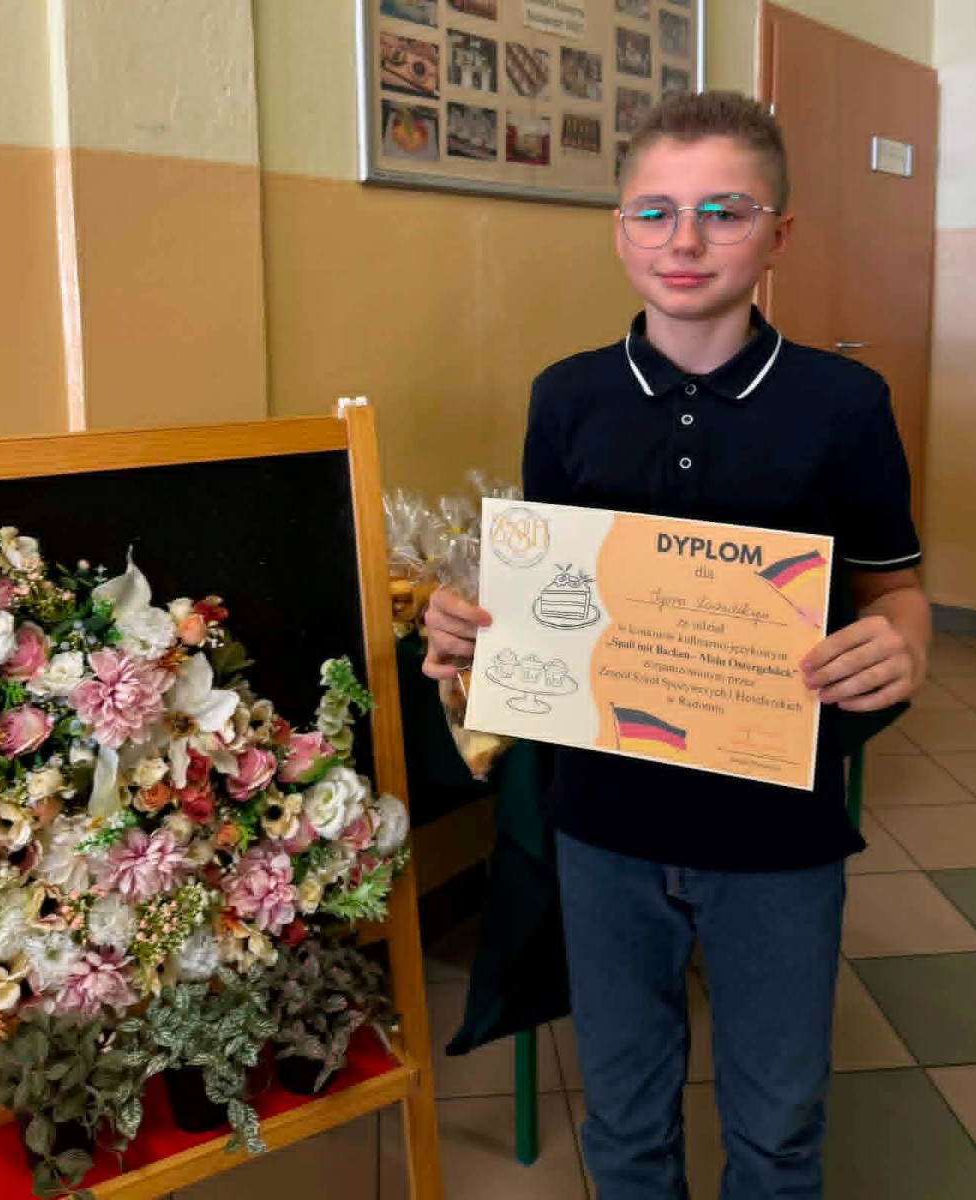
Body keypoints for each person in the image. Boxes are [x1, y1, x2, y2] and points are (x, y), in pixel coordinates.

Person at [423, 91, 930, 1200]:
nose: (684, 240)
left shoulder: (843, 403)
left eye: (723, 212)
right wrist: (468, 629)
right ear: (619, 229)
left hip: (777, 829)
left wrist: (903, 642)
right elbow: (542, 591)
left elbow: (893, 587)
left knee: (778, 1131)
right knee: (624, 1120)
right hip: (605, 823)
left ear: (777, 235)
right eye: (653, 212)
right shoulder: (568, 397)